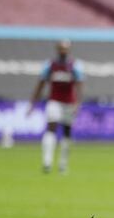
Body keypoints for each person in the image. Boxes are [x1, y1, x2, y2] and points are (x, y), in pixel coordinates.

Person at [28, 39, 84, 173]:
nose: (63, 51)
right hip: (54, 101)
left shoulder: (75, 65)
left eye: (65, 48)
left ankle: (63, 164)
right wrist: (32, 103)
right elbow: (40, 84)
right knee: (51, 128)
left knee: (67, 132)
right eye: (61, 48)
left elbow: (79, 85)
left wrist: (78, 103)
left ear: (69, 49)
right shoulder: (50, 65)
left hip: (69, 103)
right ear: (57, 49)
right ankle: (47, 162)